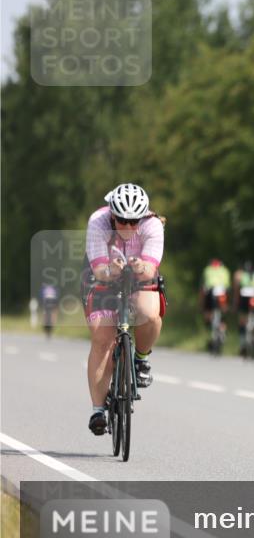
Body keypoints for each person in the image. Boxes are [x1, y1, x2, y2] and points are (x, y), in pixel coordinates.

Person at [83, 183, 165, 435]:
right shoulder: (98, 222)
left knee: (149, 314)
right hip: (104, 278)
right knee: (102, 338)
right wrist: (111, 270)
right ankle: (98, 410)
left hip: (140, 278)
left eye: (134, 221)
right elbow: (98, 270)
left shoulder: (153, 225)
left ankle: (141, 359)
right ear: (112, 215)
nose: (129, 227)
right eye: (122, 221)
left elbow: (150, 270)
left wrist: (141, 266)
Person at [233, 260, 254, 356]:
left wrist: (235, 303)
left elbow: (236, 290)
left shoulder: (239, 274)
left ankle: (242, 341)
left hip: (244, 297)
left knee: (242, 318)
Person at [200, 258, 231, 331]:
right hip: (223, 292)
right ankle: (223, 326)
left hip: (210, 292)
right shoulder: (225, 270)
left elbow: (203, 285)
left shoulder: (207, 270)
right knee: (224, 310)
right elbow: (228, 285)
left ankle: (210, 324)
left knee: (207, 309)